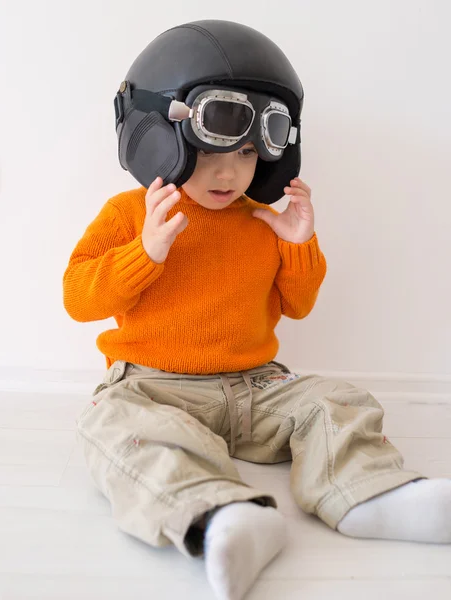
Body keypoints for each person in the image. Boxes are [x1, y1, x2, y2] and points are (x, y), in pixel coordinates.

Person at [63, 19, 451, 600]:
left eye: (248, 154)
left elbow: (297, 305)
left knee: (334, 398)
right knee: (114, 425)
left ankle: (369, 492)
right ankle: (223, 515)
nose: (231, 173)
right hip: (154, 387)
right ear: (163, 139)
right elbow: (78, 298)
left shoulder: (260, 220)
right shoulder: (130, 214)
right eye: (213, 150)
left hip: (257, 386)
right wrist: (144, 252)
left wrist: (297, 244)